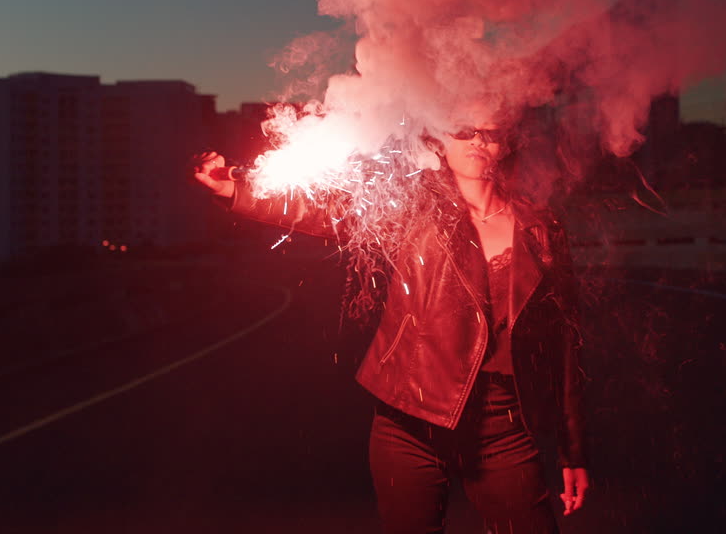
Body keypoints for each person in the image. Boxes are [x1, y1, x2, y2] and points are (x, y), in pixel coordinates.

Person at [193, 116, 589, 534]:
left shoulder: (542, 229)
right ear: (440, 141)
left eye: (490, 133)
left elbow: (563, 340)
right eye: (464, 130)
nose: (477, 141)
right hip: (408, 420)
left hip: (501, 425)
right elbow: (323, 211)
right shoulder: (413, 209)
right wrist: (235, 189)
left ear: (506, 144)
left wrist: (573, 449)